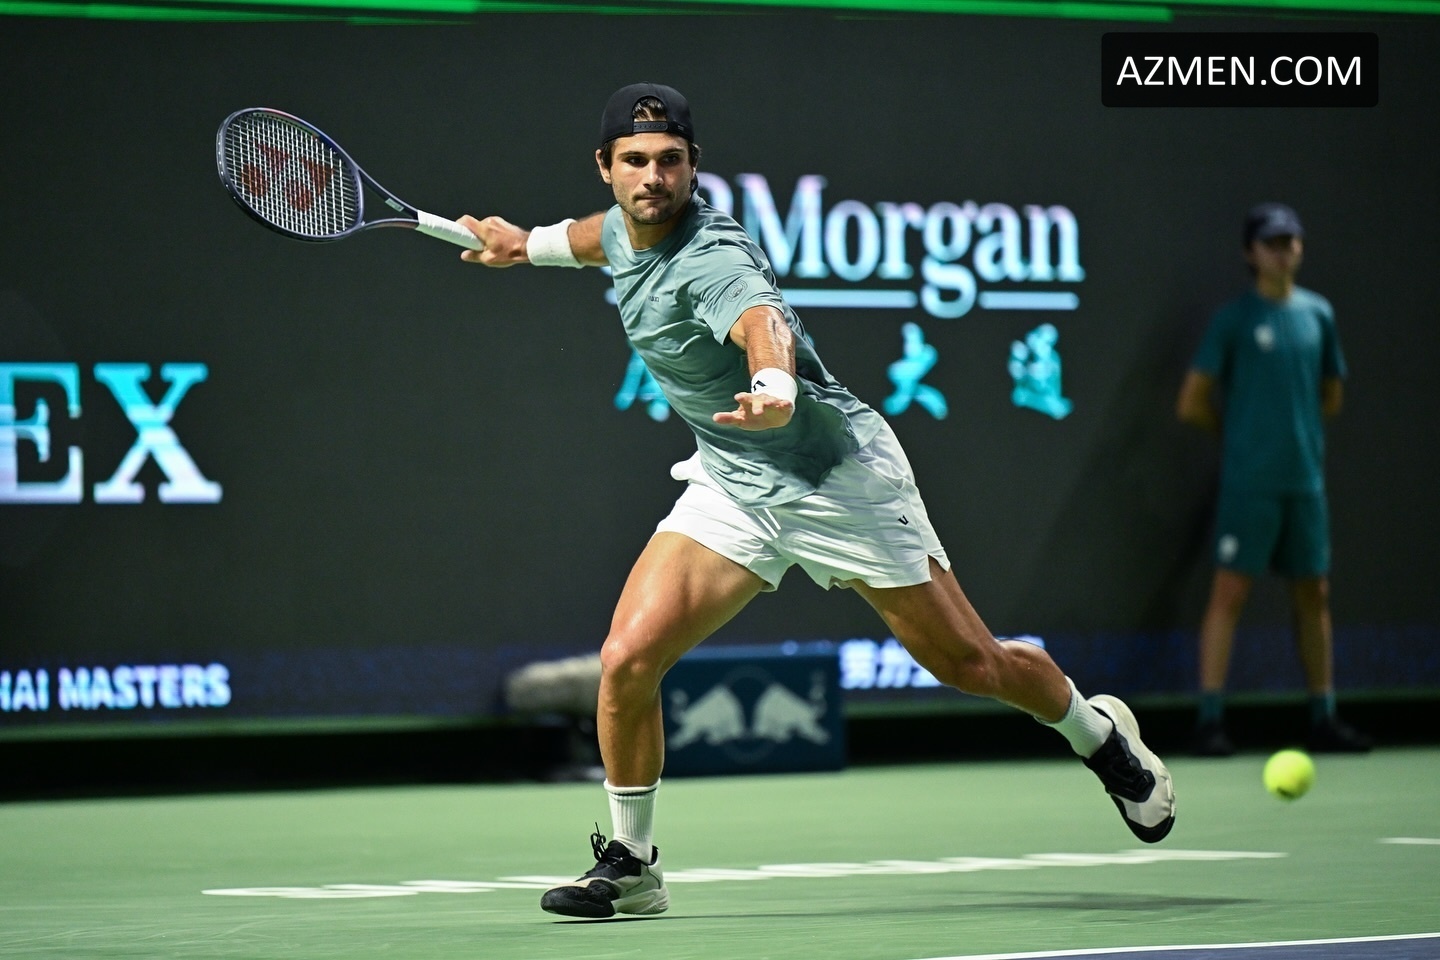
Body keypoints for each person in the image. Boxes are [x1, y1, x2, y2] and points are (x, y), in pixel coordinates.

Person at [459, 82, 1175, 920]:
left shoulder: (711, 257)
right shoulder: (623, 224)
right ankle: (633, 862)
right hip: (734, 478)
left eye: (671, 161)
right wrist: (525, 244)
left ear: (694, 165)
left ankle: (1097, 735)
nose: (653, 177)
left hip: (834, 477)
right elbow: (595, 238)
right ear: (606, 168)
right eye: (636, 161)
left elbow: (762, 321)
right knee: (627, 660)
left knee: (970, 665)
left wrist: (773, 387)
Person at [1176, 202, 1371, 758]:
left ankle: (1323, 716)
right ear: (1251, 253)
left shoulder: (1319, 315)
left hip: (1304, 483)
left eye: (1291, 242)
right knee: (1230, 592)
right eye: (1272, 243)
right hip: (1249, 484)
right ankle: (1210, 721)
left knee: (1315, 593)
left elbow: (1330, 396)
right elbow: (1192, 402)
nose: (1284, 252)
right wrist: (1240, 437)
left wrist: (1294, 438)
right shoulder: (1234, 321)